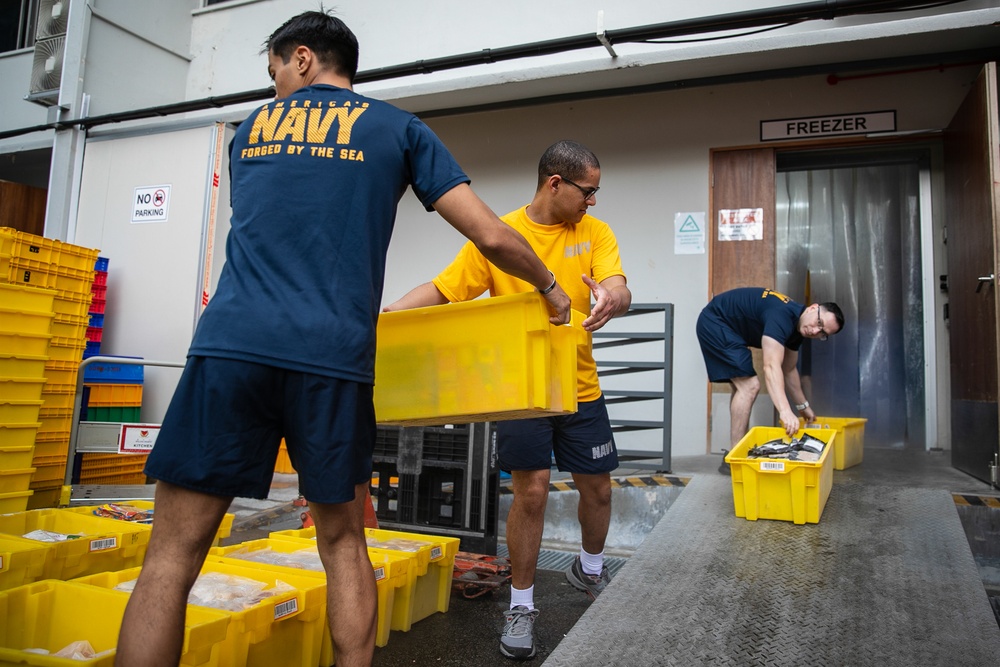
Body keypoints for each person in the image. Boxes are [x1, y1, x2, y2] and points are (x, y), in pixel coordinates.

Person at [115, 11, 570, 667]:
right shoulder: (398, 128)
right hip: (333, 358)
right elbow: (494, 236)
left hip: (232, 347)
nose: (273, 86)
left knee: (171, 555)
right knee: (343, 541)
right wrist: (551, 287)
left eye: (274, 71)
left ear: (302, 59)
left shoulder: (247, 134)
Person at [383, 139, 631, 660]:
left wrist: (614, 296)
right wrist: (390, 316)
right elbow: (444, 289)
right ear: (554, 183)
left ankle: (590, 567)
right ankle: (522, 603)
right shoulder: (499, 236)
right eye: (589, 191)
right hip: (521, 392)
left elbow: (616, 284)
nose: (593, 202)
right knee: (532, 493)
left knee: (599, 490)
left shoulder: (594, 232)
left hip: (581, 387)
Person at [696, 287, 845, 447]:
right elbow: (771, 366)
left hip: (730, 329)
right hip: (716, 321)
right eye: (819, 323)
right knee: (749, 387)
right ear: (812, 308)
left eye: (822, 333)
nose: (815, 331)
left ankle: (738, 451)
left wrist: (803, 407)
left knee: (743, 388)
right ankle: (735, 457)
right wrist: (785, 411)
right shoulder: (782, 315)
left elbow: (788, 370)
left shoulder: (797, 328)